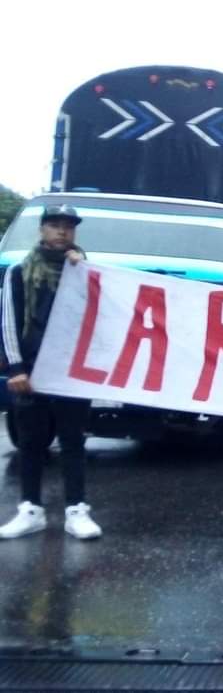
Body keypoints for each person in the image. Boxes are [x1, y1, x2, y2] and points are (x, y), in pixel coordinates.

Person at [0, 205, 100, 540]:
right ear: (42, 230)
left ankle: (77, 510)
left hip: (72, 372)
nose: (62, 232)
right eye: (55, 226)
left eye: (68, 228)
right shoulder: (19, 272)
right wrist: (16, 368)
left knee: (73, 440)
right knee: (31, 443)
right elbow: (9, 321)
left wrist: (82, 271)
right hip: (32, 372)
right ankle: (30, 509)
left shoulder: (87, 273)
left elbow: (104, 316)